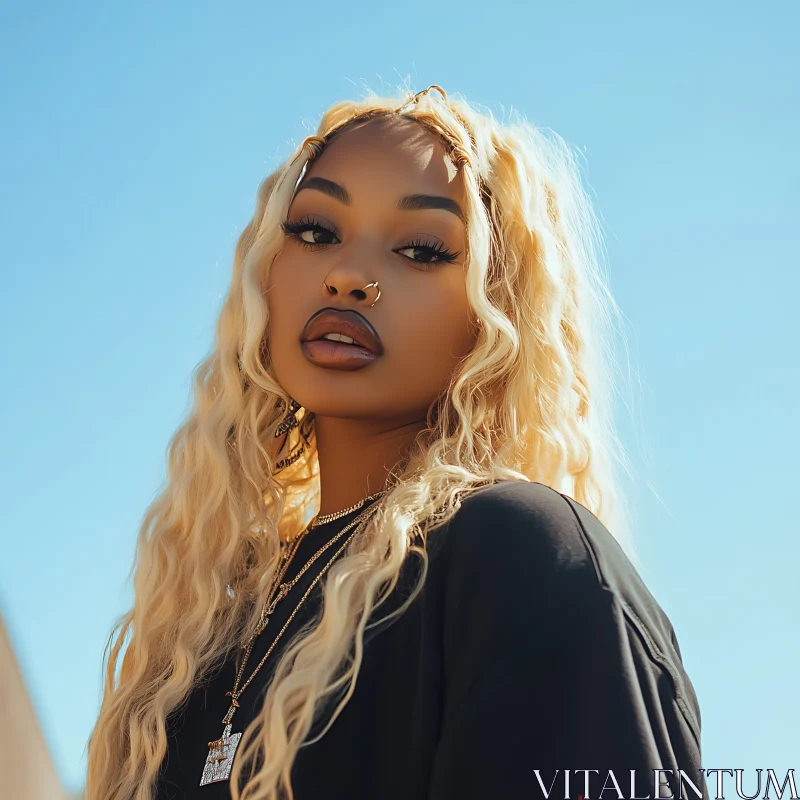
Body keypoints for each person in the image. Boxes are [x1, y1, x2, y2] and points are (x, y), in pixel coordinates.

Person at [85, 85, 708, 800]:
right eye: (316, 231)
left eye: (420, 249)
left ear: (494, 311)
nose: (348, 276)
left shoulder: (521, 557)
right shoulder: (205, 641)